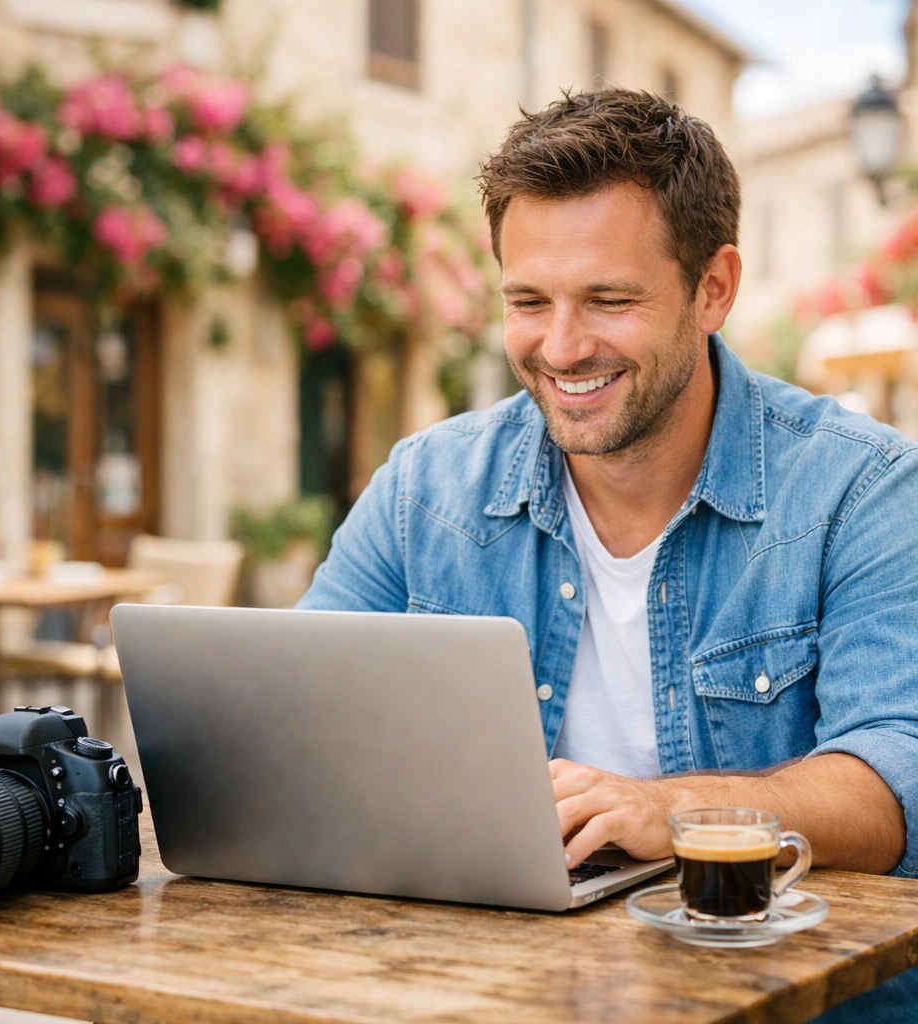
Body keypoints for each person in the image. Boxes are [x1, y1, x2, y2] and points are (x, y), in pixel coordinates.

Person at [298, 90, 918, 1021]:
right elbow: (300, 722)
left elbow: (897, 774)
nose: (561, 347)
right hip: (490, 996)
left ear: (714, 288)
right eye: (528, 301)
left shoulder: (862, 488)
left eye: (609, 300)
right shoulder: (425, 488)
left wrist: (672, 810)